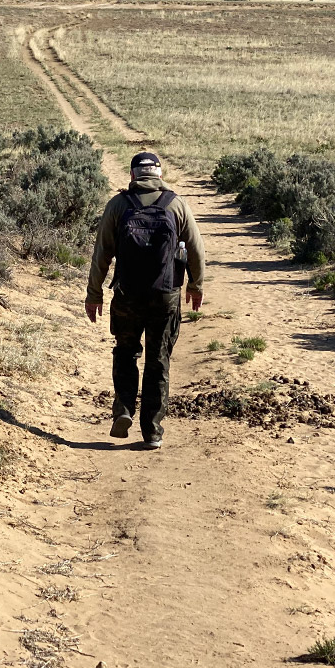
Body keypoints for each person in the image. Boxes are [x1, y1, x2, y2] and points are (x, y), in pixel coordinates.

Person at [85, 151, 205, 450]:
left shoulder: (118, 205)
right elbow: (196, 250)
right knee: (158, 360)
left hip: (127, 295)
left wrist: (94, 294)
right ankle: (152, 431)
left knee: (125, 353)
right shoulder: (176, 204)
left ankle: (124, 409)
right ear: (160, 175)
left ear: (132, 176)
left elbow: (101, 254)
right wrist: (196, 286)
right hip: (166, 296)